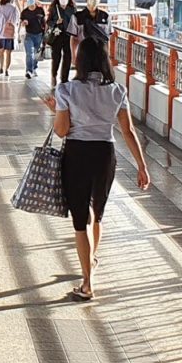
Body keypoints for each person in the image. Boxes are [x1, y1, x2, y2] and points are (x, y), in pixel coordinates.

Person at [42, 38, 150, 301]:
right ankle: (91, 260)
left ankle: (88, 283)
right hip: (105, 155)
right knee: (96, 214)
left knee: (81, 221)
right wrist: (142, 167)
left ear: (79, 60)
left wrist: (55, 110)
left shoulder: (67, 90)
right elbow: (128, 131)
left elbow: (61, 130)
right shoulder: (116, 90)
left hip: (77, 155)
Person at [48, 0, 78, 87]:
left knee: (67, 57)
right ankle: (54, 75)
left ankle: (64, 78)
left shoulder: (72, 9)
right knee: (56, 57)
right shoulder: (54, 8)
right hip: (57, 35)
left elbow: (76, 21)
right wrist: (56, 22)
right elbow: (48, 21)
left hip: (68, 35)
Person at [20, 0, 46, 79]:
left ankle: (34, 67)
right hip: (29, 35)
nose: (30, 0)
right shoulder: (24, 12)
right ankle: (29, 71)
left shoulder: (40, 10)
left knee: (35, 54)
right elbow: (21, 22)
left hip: (39, 34)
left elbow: (44, 21)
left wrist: (45, 33)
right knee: (29, 53)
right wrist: (24, 23)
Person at [0, 0, 19, 77]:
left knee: (1, 51)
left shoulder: (0, 9)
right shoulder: (14, 8)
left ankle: (1, 67)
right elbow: (16, 20)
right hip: (10, 33)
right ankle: (7, 70)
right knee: (8, 53)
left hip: (1, 33)